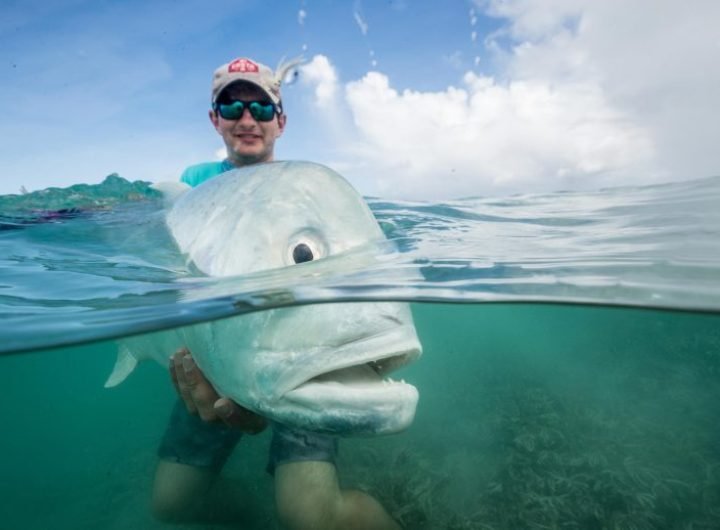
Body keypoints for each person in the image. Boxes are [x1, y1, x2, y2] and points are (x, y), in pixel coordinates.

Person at [151, 56, 402, 530]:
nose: (247, 119)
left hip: (303, 354)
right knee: (171, 505)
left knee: (311, 518)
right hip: (210, 357)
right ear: (214, 119)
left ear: (281, 121)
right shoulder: (191, 188)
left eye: (262, 109)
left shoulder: (310, 197)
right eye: (232, 106)